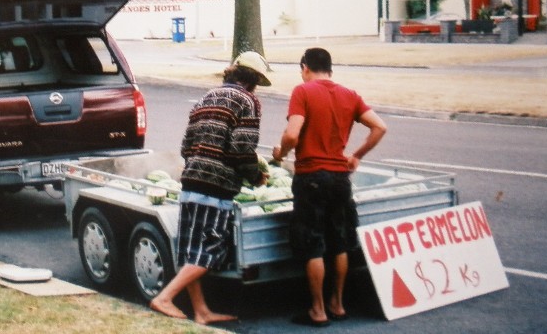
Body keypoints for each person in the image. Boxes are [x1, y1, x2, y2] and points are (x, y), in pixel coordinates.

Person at [150, 51, 271, 325]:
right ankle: (164, 297)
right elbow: (242, 149)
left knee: (193, 250)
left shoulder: (206, 97)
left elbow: (186, 146)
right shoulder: (248, 101)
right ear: (253, 81)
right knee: (211, 250)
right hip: (217, 187)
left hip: (191, 180)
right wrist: (256, 176)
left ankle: (201, 311)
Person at [272, 47, 387, 327]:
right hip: (340, 178)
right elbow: (380, 127)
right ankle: (338, 303)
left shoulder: (303, 91)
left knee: (312, 244)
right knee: (339, 243)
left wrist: (281, 152)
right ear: (331, 70)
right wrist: (356, 155)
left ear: (304, 67)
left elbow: (292, 134)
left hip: (311, 176)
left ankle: (318, 310)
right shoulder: (350, 95)